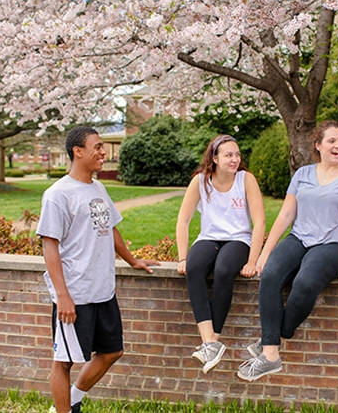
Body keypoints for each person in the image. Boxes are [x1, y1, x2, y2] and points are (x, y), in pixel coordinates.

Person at [37, 126, 160, 413]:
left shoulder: (98, 187)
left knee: (112, 351)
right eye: (98, 147)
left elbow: (111, 229)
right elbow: (49, 247)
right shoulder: (58, 195)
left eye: (104, 147)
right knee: (64, 361)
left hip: (102, 291)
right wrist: (62, 295)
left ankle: (74, 399)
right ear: (78, 152)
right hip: (75, 295)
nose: (103, 152)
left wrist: (132, 260)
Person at [238, 121, 338, 381]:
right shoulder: (303, 174)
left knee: (306, 282)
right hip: (299, 237)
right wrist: (265, 252)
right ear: (318, 145)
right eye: (332, 141)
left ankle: (270, 341)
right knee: (271, 275)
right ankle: (272, 355)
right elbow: (286, 214)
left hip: (333, 244)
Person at [176, 134, 266, 373]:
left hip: (239, 239)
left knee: (224, 268)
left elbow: (259, 222)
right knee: (194, 268)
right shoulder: (200, 181)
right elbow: (183, 220)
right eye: (228, 155)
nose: (235, 159)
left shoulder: (246, 180)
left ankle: (213, 341)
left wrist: (252, 260)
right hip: (209, 237)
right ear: (215, 158)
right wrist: (183, 257)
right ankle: (209, 343)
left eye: (237, 154)